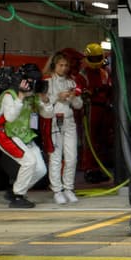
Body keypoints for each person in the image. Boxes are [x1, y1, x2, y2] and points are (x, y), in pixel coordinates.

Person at [0, 64, 54, 208]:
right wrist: (21, 97)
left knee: (41, 170)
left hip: (24, 135)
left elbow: (48, 114)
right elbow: (9, 117)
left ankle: (15, 190)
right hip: (5, 134)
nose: (35, 84)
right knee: (29, 162)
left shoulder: (33, 96)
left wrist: (45, 99)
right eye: (32, 81)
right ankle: (17, 196)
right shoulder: (10, 95)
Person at [43, 51, 84, 204]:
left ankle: (68, 188)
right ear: (54, 65)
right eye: (61, 65)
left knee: (72, 157)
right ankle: (57, 190)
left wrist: (73, 96)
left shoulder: (71, 82)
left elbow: (78, 105)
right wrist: (56, 97)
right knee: (55, 158)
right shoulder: (47, 82)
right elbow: (41, 104)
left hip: (69, 122)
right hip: (53, 121)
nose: (64, 68)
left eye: (66, 65)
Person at [74, 42, 113, 183]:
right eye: (94, 58)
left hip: (104, 108)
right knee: (90, 140)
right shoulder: (82, 74)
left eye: (98, 58)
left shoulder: (104, 72)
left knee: (103, 140)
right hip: (90, 109)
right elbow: (80, 92)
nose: (96, 61)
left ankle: (99, 167)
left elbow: (110, 89)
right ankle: (89, 169)